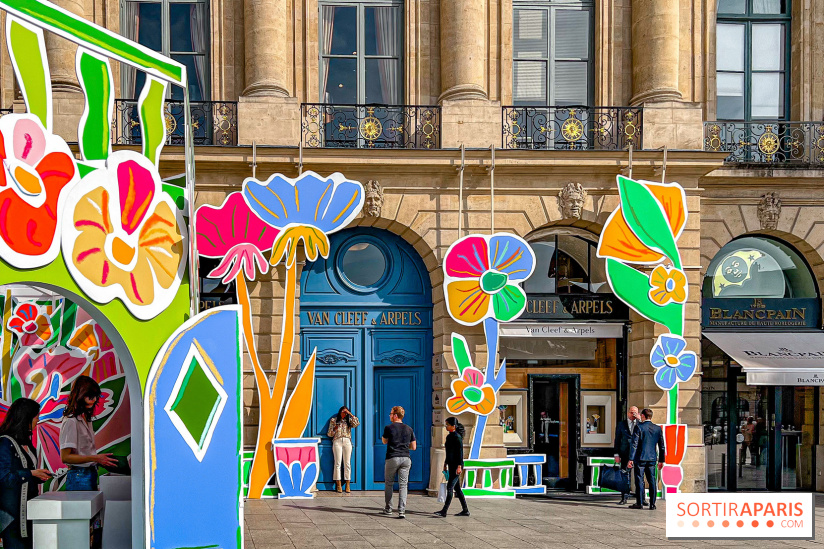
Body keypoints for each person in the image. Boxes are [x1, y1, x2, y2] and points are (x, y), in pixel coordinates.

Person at [0, 398, 51, 549]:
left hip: (30, 513)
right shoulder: (4, 443)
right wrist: (31, 473)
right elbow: (3, 477)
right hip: (12, 517)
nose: (38, 420)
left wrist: (38, 476)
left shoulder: (27, 443)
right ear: (26, 418)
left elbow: (27, 475)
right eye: (36, 417)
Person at [59, 376, 118, 490]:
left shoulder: (86, 417)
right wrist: (96, 458)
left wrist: (98, 459)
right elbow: (65, 457)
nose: (94, 399)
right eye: (90, 396)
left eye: (96, 396)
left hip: (90, 473)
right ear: (80, 395)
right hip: (78, 475)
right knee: (81, 507)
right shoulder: (71, 421)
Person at [381, 406, 416, 518]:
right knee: (403, 485)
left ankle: (388, 509)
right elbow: (414, 447)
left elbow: (384, 441)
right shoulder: (409, 429)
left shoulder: (388, 428)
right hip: (406, 458)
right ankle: (402, 511)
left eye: (391, 414)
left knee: (389, 483)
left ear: (395, 415)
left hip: (392, 457)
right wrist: (405, 446)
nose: (390, 415)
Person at [627, 408, 665, 510]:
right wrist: (661, 460)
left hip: (640, 458)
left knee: (639, 480)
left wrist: (631, 458)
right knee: (652, 480)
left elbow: (634, 444)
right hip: (652, 458)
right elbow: (662, 446)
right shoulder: (657, 429)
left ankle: (639, 502)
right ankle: (652, 503)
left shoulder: (638, 427)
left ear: (643, 416)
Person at [434, 417, 469, 518]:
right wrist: (445, 463)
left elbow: (460, 453)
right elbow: (448, 452)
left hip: (456, 465)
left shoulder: (457, 437)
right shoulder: (449, 437)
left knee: (450, 487)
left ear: (453, 426)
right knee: (457, 488)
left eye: (447, 425)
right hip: (451, 464)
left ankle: (444, 510)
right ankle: (465, 510)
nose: (446, 426)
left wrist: (459, 466)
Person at [327, 406, 359, 493]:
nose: (344, 414)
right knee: (337, 463)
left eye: (345, 412)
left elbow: (356, 423)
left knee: (347, 463)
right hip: (337, 441)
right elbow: (329, 434)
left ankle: (347, 484)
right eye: (343, 412)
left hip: (347, 441)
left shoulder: (349, 421)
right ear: (340, 411)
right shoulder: (334, 420)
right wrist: (334, 429)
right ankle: (338, 484)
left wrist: (350, 414)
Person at [613, 405, 638, 505]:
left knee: (639, 476)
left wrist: (639, 420)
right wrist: (616, 454)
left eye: (635, 412)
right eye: (632, 412)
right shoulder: (621, 424)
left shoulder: (640, 424)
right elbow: (617, 439)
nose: (633, 414)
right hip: (624, 453)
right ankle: (624, 497)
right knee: (624, 475)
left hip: (637, 454)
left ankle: (641, 498)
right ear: (628, 413)